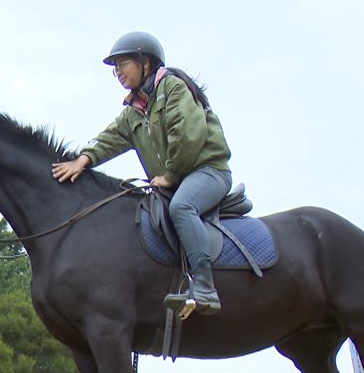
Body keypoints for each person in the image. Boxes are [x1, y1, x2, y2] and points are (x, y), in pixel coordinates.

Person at [52, 31, 233, 315]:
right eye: (115, 69)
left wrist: (171, 175)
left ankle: (205, 288)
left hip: (207, 172)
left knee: (182, 207)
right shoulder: (133, 111)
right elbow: (109, 138)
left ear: (145, 62)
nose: (118, 73)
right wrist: (83, 159)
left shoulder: (172, 88)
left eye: (123, 65)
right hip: (174, 180)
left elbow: (187, 136)